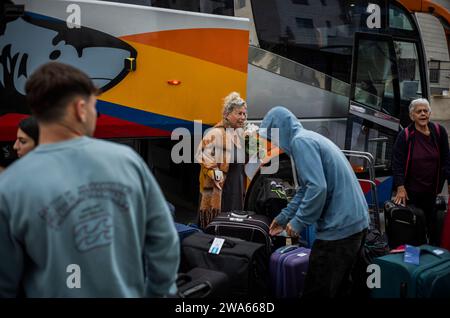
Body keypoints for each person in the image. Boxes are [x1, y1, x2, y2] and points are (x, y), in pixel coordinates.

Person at [0, 62, 179, 297]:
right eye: (96, 107)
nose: (96, 115)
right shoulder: (128, 162)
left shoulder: (10, 185)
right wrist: (158, 292)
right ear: (80, 109)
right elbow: (164, 241)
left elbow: (5, 280)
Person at [260, 106, 369, 298]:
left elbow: (317, 188)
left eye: (272, 136)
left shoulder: (301, 142)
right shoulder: (309, 138)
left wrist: (298, 222)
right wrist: (284, 217)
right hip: (355, 223)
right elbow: (305, 188)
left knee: (317, 291)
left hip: (339, 229)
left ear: (280, 130)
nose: (273, 142)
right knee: (343, 288)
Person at [392, 98, 450, 246]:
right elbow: (397, 162)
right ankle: (413, 260)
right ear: (412, 116)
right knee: (414, 228)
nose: (423, 114)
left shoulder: (439, 132)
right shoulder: (405, 135)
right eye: (419, 112)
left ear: (430, 113)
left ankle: (431, 258)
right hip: (410, 193)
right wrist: (400, 186)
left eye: (425, 111)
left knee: (434, 228)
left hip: (432, 191)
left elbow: (447, 159)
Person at [196, 91, 247, 229]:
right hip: (221, 193)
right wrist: (214, 172)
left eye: (244, 113)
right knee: (217, 228)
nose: (243, 117)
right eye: (239, 113)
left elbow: (252, 159)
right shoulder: (215, 133)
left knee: (232, 228)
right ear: (227, 114)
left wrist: (254, 141)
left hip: (236, 191)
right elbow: (201, 154)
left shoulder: (241, 135)